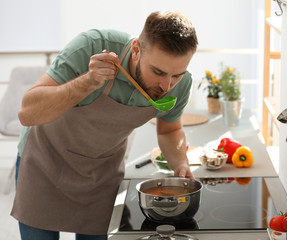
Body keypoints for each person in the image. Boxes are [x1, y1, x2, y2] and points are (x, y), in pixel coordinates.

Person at [11, 11, 198, 240]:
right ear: (137, 49)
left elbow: (169, 130)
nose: (166, 85)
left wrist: (180, 163)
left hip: (101, 176)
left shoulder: (181, 84)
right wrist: (88, 82)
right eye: (158, 72)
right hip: (44, 165)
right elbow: (27, 114)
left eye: (176, 75)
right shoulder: (91, 46)